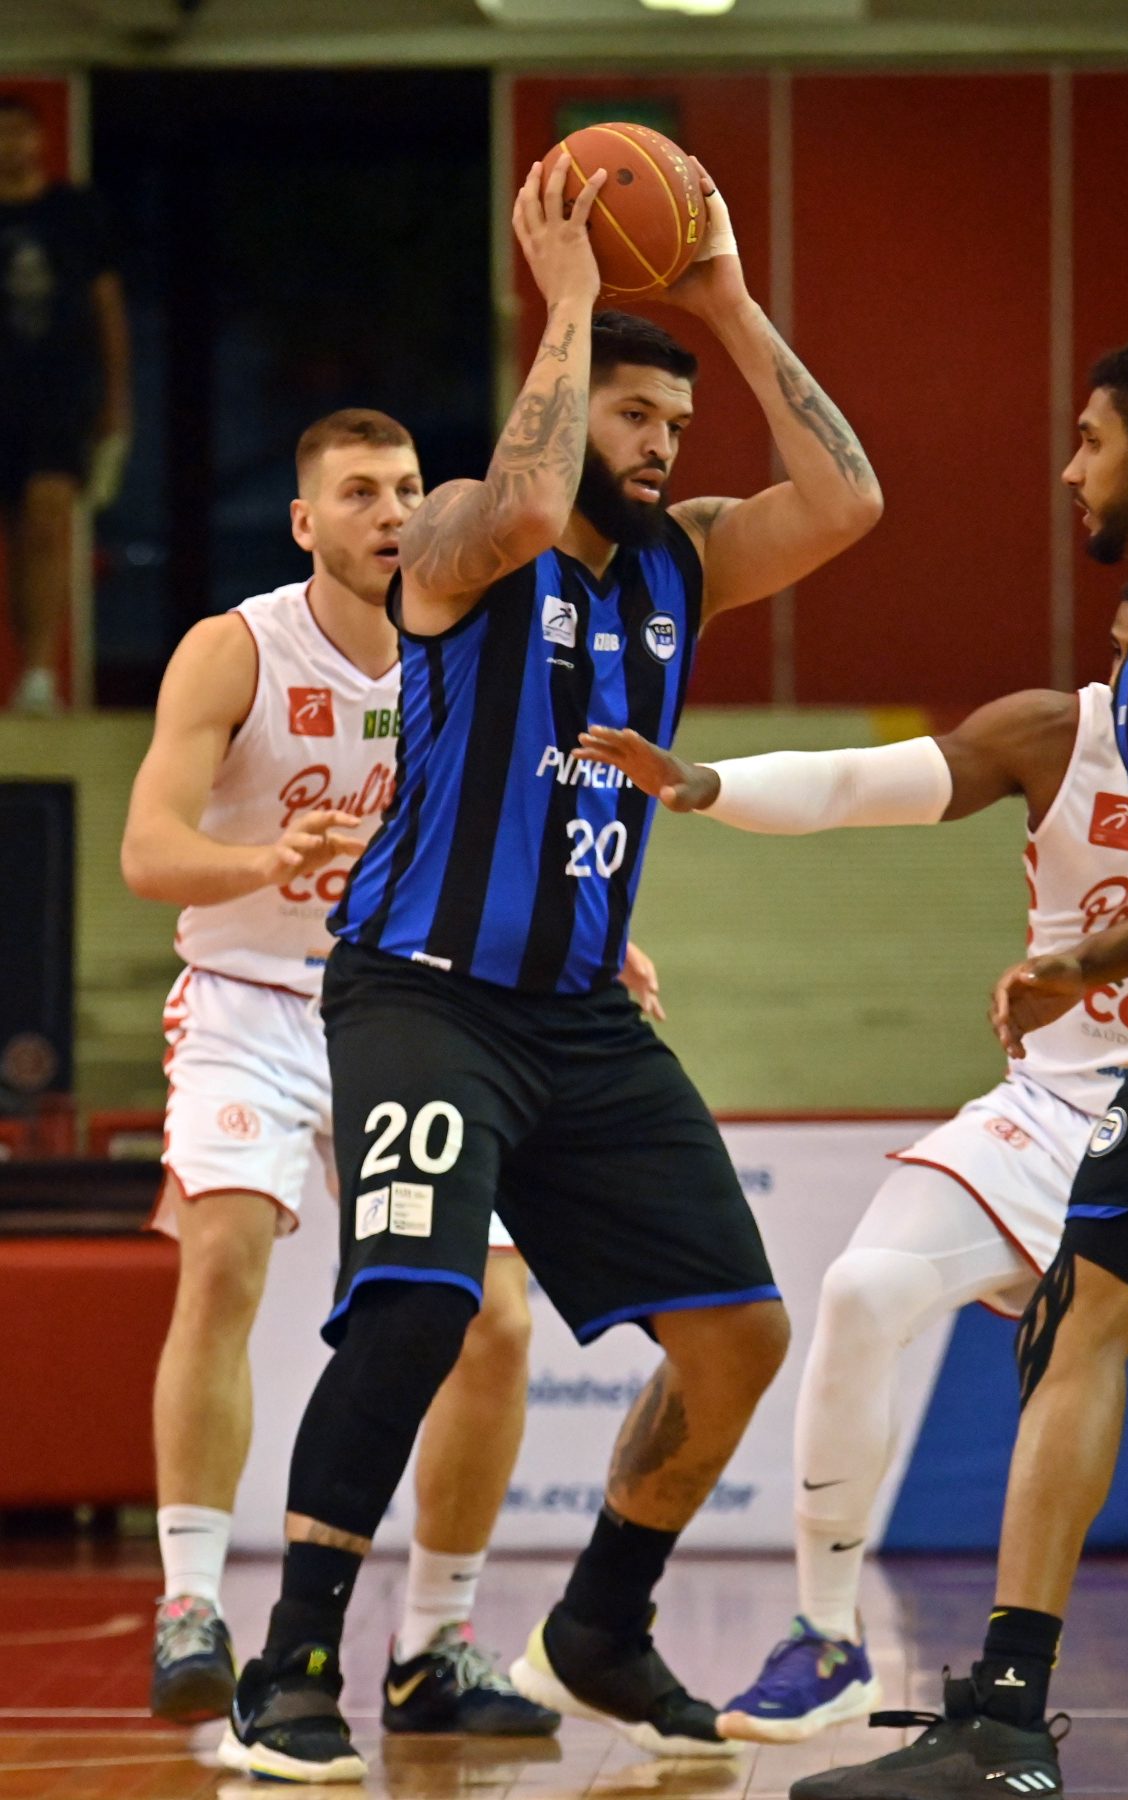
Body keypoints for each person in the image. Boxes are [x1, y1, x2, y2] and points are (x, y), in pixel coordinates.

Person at [216, 153, 882, 1785]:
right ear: (573, 400)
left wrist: (726, 302)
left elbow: (850, 501)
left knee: (739, 1333)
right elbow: (523, 506)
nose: (662, 446)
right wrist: (572, 299)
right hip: (422, 990)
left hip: (583, 1016)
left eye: (677, 426)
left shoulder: (683, 561)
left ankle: (597, 1625)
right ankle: (291, 1665)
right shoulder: (457, 536)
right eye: (637, 417)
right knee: (419, 1308)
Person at [578, 580, 1128, 1752]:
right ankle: (827, 1640)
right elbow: (861, 782)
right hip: (1052, 1109)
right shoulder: (1054, 733)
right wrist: (708, 784)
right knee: (864, 1289)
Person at [124, 409, 660, 1737]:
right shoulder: (237, 648)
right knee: (223, 1254)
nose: (390, 512)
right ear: (303, 521)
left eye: (409, 488)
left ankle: (433, 1647)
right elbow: (146, 852)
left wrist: (602, 937)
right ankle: (192, 1603)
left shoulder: (470, 645)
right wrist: (261, 862)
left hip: (415, 1004)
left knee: (496, 1321)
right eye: (358, 491)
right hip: (252, 998)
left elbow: (527, 826)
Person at [772, 333, 1128, 1798]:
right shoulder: (1122, 685)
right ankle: (996, 1716)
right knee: (1065, 1321)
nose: (1069, 467)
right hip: (1097, 1072)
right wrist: (1088, 961)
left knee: (1079, 1329)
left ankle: (1007, 1724)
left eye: (1090, 438)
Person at [0, 92, 131, 712]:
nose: (12, 145)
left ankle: (37, 673)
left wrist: (116, 400)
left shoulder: (74, 212)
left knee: (47, 522)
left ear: (40, 140)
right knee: (14, 534)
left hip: (58, 395)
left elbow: (107, 307)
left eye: (21, 132)